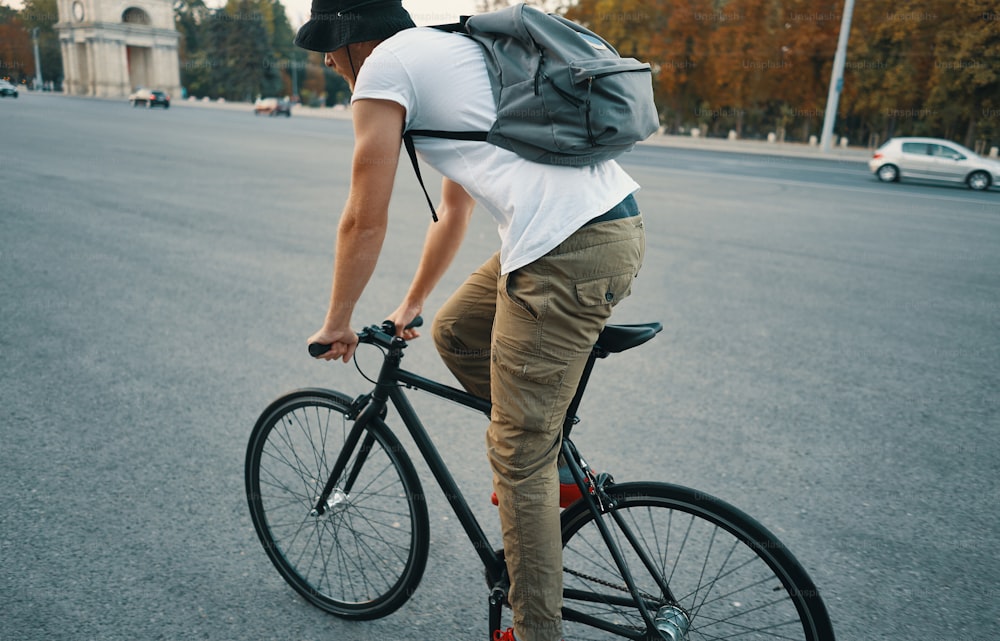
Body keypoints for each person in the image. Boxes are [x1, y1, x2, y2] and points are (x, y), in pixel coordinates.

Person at [296, 2, 646, 640]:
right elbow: (451, 212)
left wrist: (337, 321)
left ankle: (534, 628)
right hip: (600, 228)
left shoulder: (384, 69)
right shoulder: (449, 51)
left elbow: (362, 217)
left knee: (517, 456)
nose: (325, 59)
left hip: (564, 250)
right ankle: (560, 469)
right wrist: (411, 303)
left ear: (352, 39)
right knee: (456, 331)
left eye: (328, 45)